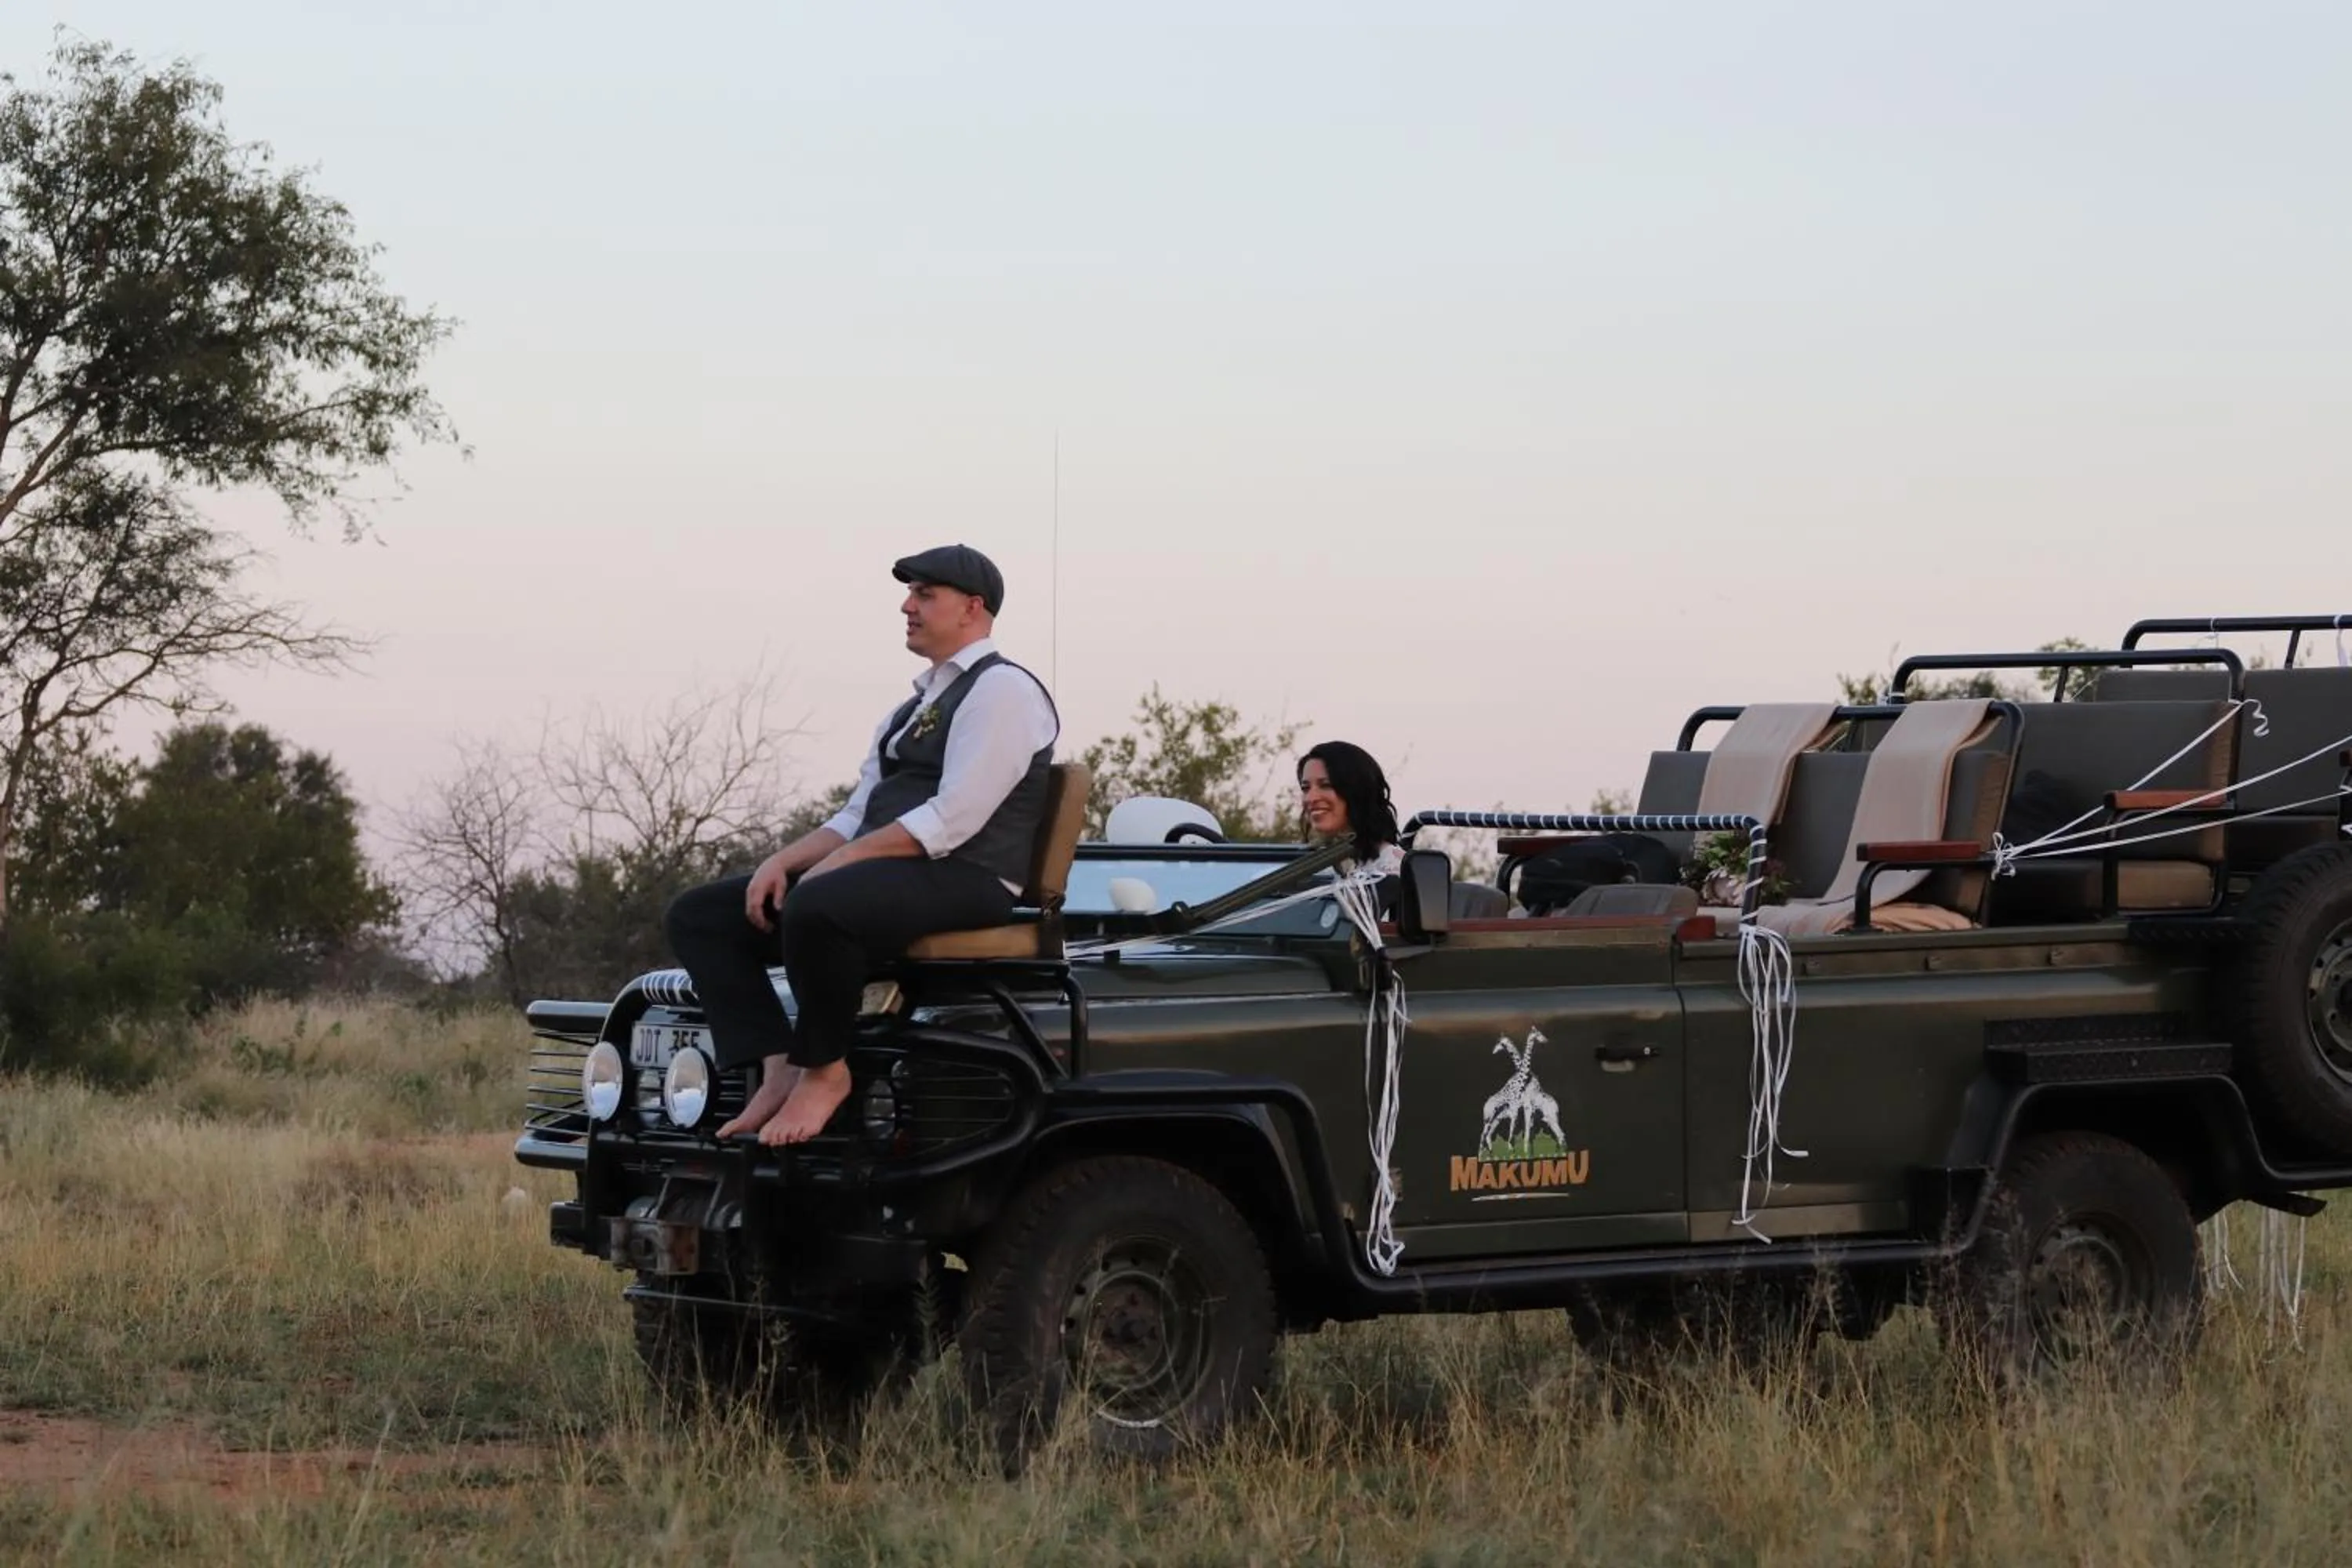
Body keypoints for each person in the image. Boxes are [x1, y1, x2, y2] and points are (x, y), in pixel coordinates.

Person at [663, 544, 1059, 1146]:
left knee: (821, 905)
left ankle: (825, 1071)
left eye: (925, 595)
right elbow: (856, 816)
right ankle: (778, 1064)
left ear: (972, 608)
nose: (907, 606)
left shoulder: (1003, 690)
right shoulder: (914, 706)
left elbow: (955, 818)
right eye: (910, 594)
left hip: (968, 875)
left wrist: (839, 866)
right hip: (893, 873)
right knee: (702, 916)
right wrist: (783, 861)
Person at [1297, 741, 1403, 877]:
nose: (1311, 798)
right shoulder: (1307, 868)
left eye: (1326, 785)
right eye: (1305, 788)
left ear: (1357, 790)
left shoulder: (1395, 870)